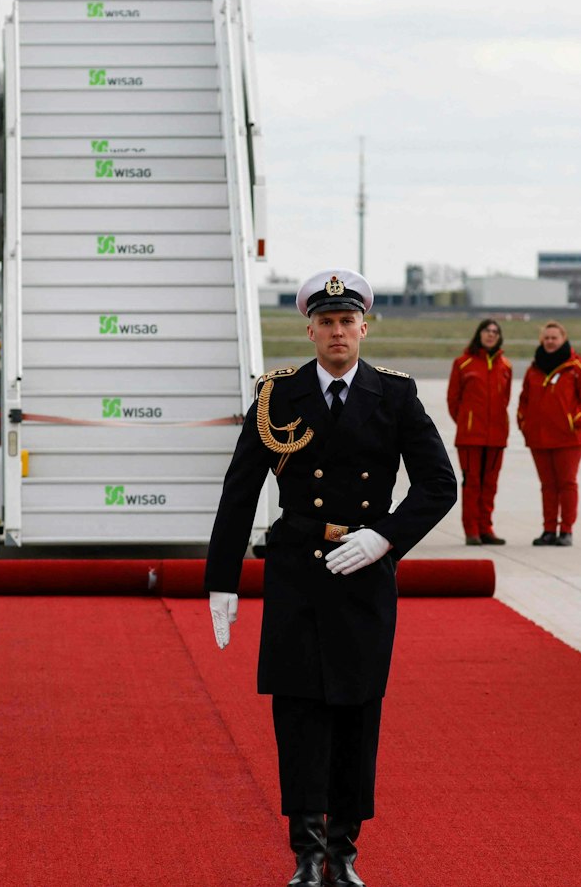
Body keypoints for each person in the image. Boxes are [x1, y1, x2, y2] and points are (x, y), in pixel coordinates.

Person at [205, 268, 456, 887]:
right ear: (309, 329)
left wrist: (385, 538)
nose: (337, 332)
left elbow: (439, 484)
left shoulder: (394, 396)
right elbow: (239, 494)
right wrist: (222, 580)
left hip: (364, 574)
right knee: (297, 714)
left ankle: (343, 855)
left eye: (348, 322)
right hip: (296, 573)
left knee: (355, 714)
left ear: (364, 327)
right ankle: (305, 856)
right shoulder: (276, 396)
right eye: (326, 323)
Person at [516, 320, 581, 546]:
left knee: (566, 483)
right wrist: (524, 422)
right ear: (542, 340)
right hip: (539, 438)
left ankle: (567, 530)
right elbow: (524, 399)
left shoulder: (578, 368)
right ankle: (549, 529)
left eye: (555, 338)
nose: (550, 341)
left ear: (563, 339)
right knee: (548, 486)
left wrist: (574, 420)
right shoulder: (534, 369)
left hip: (568, 438)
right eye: (547, 338)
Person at [446, 318, 510, 545]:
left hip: (497, 436)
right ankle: (471, 530)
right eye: (487, 331)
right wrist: (467, 422)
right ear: (479, 334)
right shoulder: (463, 363)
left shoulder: (506, 366)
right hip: (470, 437)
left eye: (495, 331)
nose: (491, 335)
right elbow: (453, 401)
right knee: (472, 483)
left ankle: (486, 528)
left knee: (490, 485)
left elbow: (505, 399)